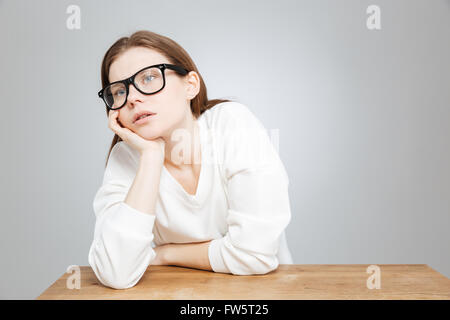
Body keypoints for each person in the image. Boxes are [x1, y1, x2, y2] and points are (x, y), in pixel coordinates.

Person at [88, 30, 293, 290]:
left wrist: (164, 254)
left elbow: (255, 255)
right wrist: (151, 157)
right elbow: (116, 271)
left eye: (149, 77)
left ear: (190, 85)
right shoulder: (126, 159)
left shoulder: (232, 125)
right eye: (118, 92)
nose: (131, 98)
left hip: (262, 294)